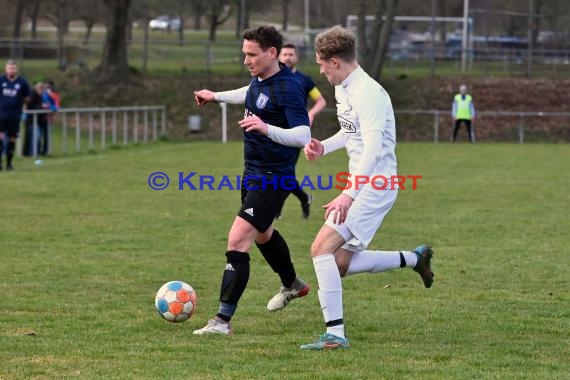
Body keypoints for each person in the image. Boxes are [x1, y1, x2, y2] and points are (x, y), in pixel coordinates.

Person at [300, 26, 434, 351]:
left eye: (320, 63)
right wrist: (324, 148)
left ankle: (335, 335)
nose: (319, 70)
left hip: (375, 184)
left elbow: (372, 150)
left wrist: (349, 193)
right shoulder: (343, 88)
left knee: (320, 250)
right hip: (367, 184)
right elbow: (351, 133)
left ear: (334, 62)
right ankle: (415, 259)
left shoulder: (367, 92)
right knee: (339, 263)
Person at [192, 25, 312, 335]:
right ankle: (293, 284)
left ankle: (221, 321)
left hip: (275, 177)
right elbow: (249, 94)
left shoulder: (290, 88)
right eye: (244, 53)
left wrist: (265, 128)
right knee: (263, 235)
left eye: (252, 54)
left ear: (272, 53)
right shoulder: (260, 78)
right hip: (253, 173)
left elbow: (303, 135)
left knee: (238, 239)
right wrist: (215, 96)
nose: (246, 60)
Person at [275, 43, 327, 219]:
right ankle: (304, 198)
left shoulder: (304, 81)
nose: (288, 57)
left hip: (296, 133)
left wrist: (310, 114)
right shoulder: (273, 78)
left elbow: (321, 101)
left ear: (296, 58)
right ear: (278, 57)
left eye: (291, 54)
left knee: (285, 171)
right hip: (275, 132)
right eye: (285, 54)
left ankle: (277, 210)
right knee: (280, 171)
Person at [0, 60, 30, 171]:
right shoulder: (1, 80)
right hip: (1, 115)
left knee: (12, 139)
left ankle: (9, 163)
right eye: (9, 68)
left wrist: (21, 106)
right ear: (6, 69)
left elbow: (27, 98)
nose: (11, 70)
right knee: (0, 139)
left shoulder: (22, 82)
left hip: (15, 115)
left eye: (13, 68)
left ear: (16, 69)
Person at [23, 82, 49, 157]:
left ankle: (35, 152)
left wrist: (43, 106)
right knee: (35, 137)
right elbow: (31, 106)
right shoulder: (33, 95)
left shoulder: (39, 96)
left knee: (37, 137)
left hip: (37, 121)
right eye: (42, 90)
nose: (43, 92)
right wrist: (42, 107)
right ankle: (32, 153)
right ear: (39, 89)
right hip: (32, 121)